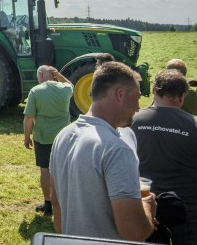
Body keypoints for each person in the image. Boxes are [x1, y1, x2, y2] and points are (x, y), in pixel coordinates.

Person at [49, 61, 156, 241]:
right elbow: (134, 232)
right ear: (120, 94)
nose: (138, 107)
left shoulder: (63, 135)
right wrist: (148, 208)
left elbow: (56, 204)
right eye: (137, 98)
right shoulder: (117, 148)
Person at [132, 69, 197, 244]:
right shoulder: (194, 125)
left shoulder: (132, 121)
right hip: (186, 211)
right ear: (182, 95)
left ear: (154, 91)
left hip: (143, 207)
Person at [23, 65, 73, 216]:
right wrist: (59, 75)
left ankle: (48, 203)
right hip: (63, 137)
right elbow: (71, 85)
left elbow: (29, 117)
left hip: (43, 137)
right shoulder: (65, 89)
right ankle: (64, 201)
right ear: (52, 75)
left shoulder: (36, 91)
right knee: (63, 170)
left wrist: (27, 136)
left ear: (40, 75)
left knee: (45, 170)